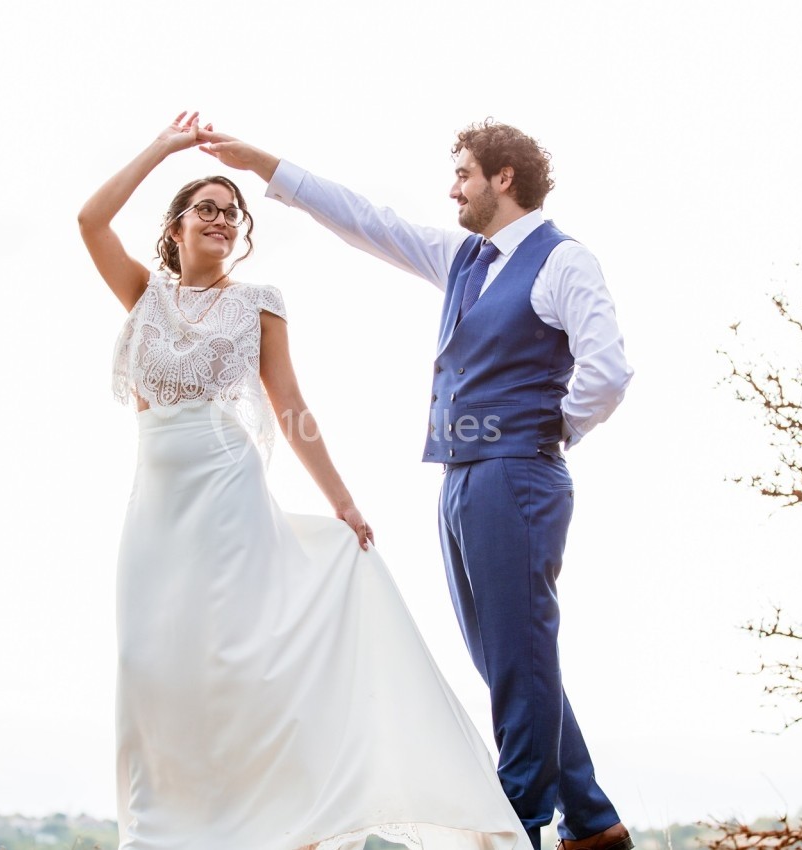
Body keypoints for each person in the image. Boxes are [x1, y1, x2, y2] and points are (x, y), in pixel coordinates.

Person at [78, 111, 535, 850]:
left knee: (237, 663)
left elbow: (290, 409)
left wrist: (343, 503)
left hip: (226, 494)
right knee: (150, 662)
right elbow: (90, 220)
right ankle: (167, 827)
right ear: (176, 227)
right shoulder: (142, 294)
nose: (222, 219)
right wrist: (162, 148)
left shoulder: (258, 303)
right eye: (207, 209)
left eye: (233, 212)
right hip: (154, 510)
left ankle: (280, 823)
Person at [198, 120, 635, 850]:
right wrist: (265, 165)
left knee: (519, 658)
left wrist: (547, 429)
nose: (452, 188)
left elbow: (608, 371)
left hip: (517, 474)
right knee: (506, 660)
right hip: (460, 478)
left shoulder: (564, 261)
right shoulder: (463, 258)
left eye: (463, 173)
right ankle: (591, 820)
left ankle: (520, 822)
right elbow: (369, 222)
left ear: (502, 178)